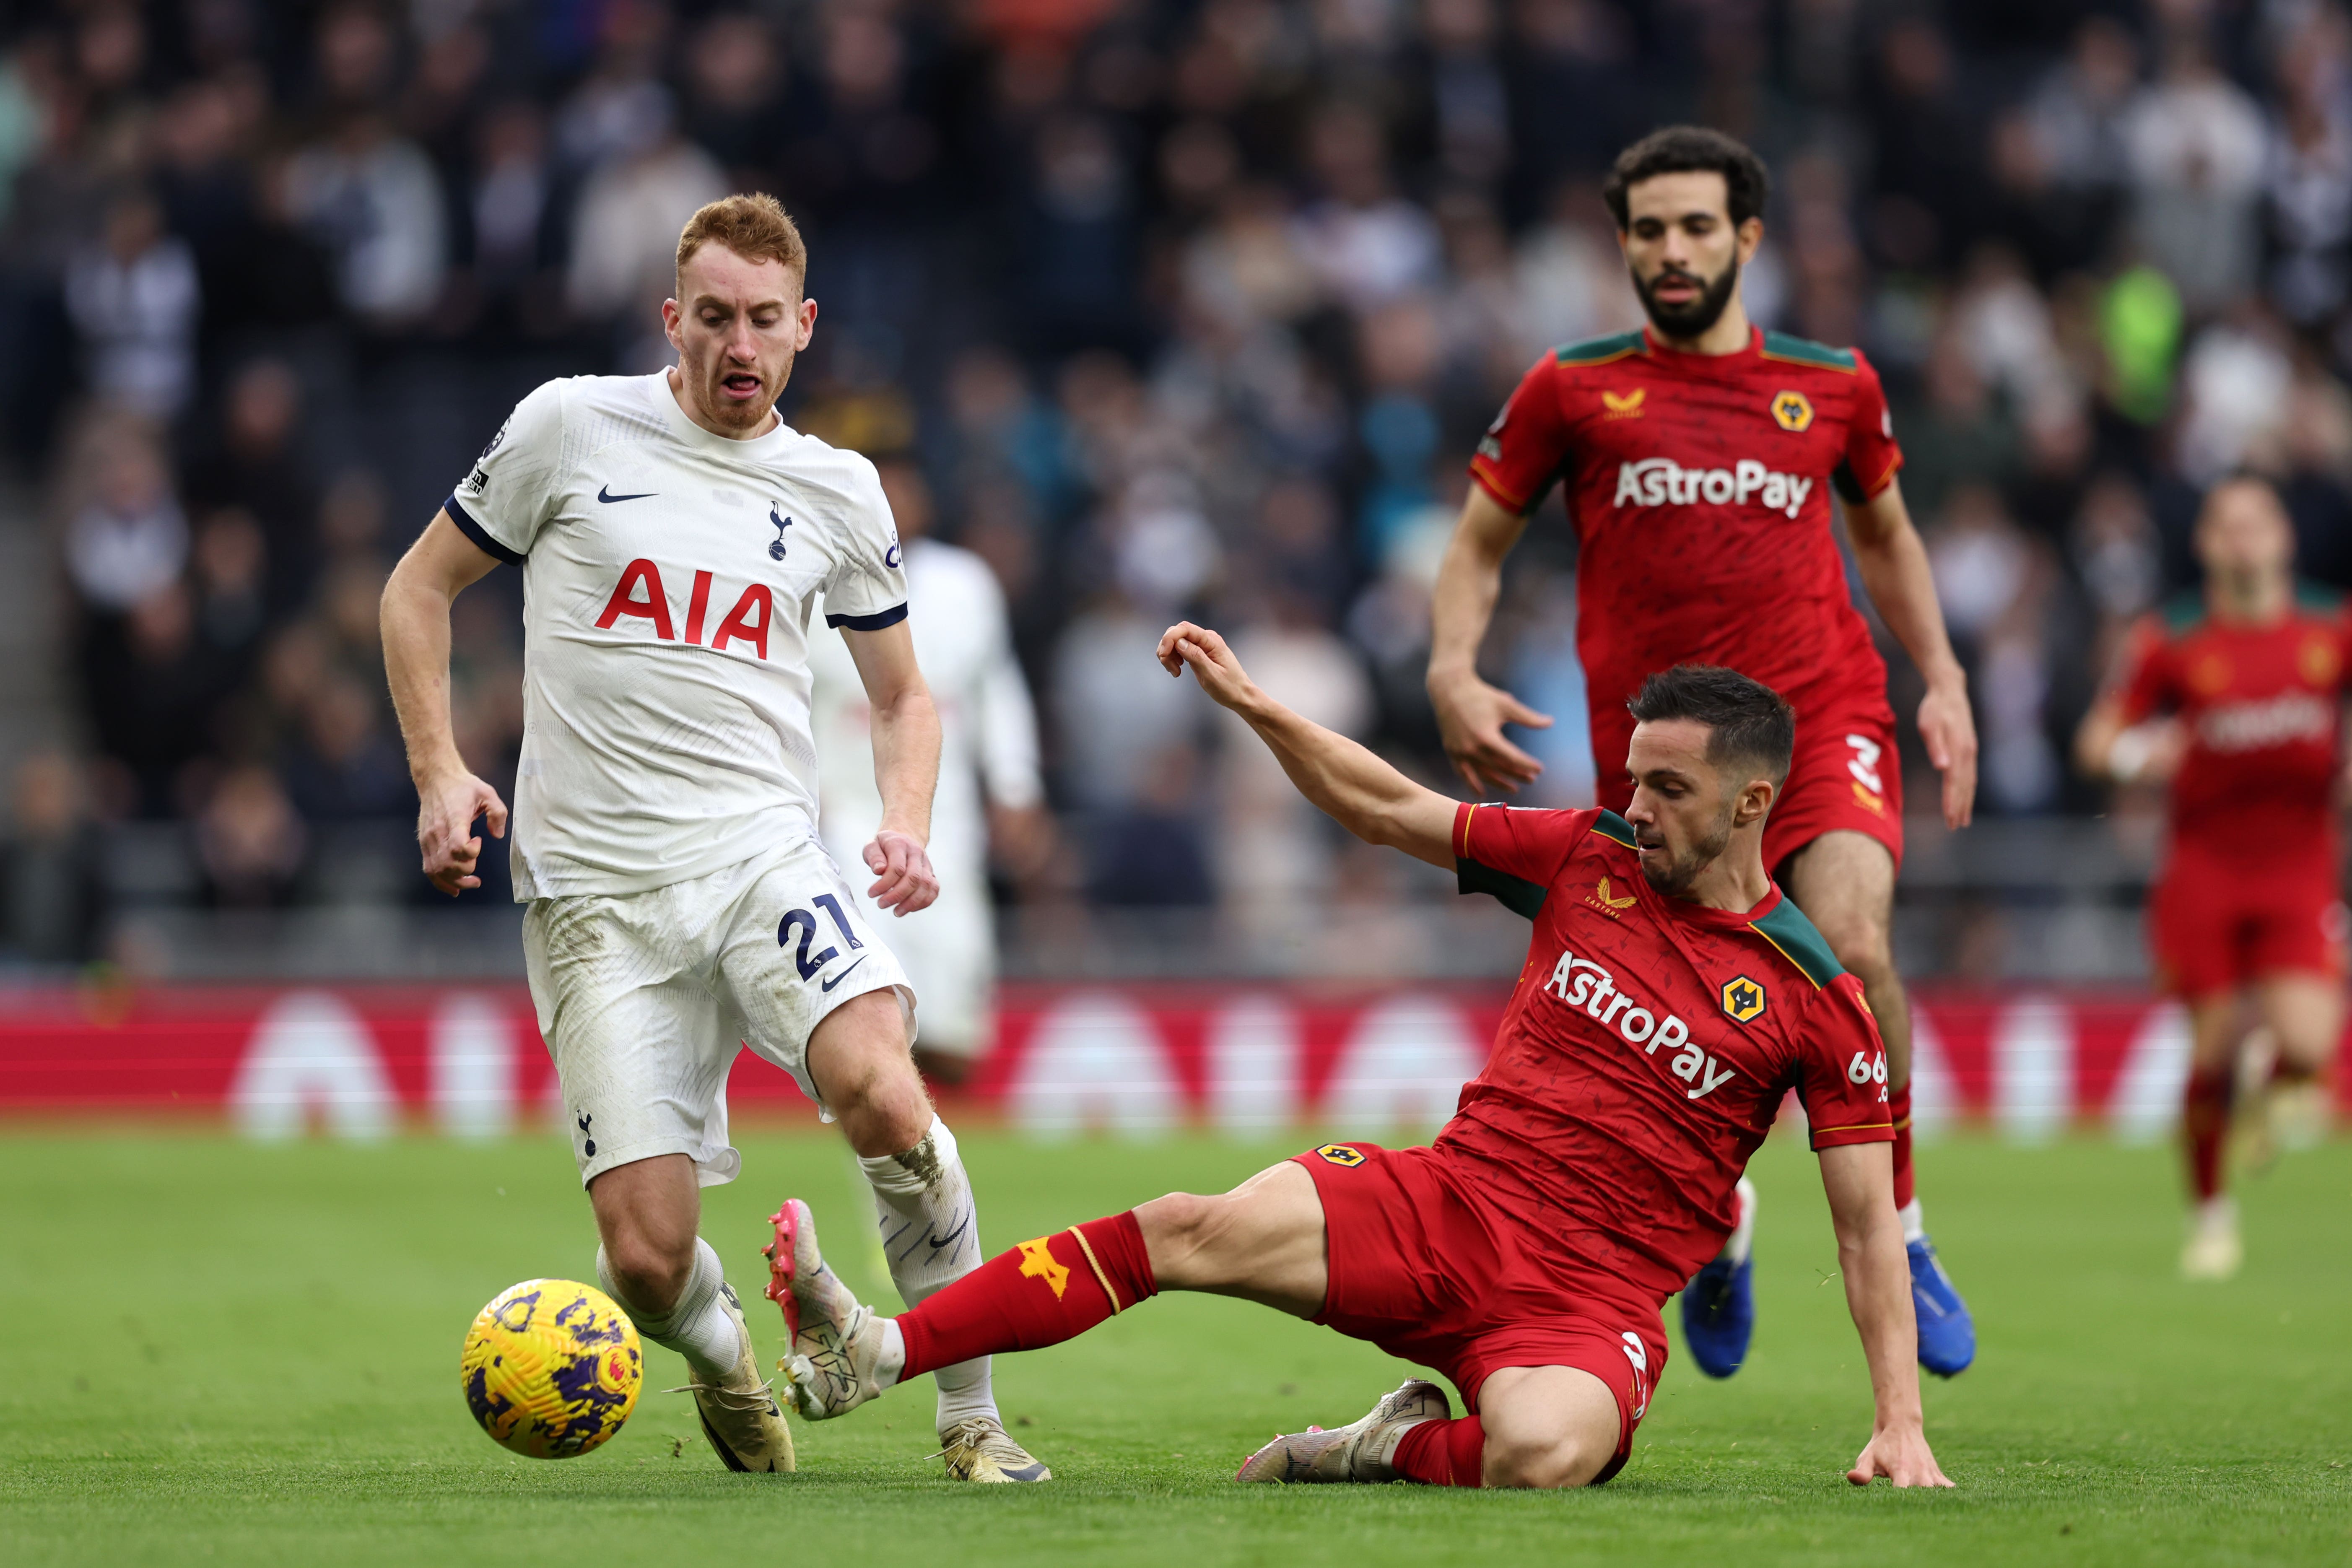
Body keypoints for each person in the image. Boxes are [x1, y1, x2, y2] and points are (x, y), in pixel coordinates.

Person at [766, 624, 1953, 1492]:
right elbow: (1388, 807)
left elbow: (1862, 1229)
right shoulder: (1585, 857)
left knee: (1542, 1454)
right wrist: (1257, 707)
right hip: (1448, 1203)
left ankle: (1375, 1443)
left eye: (1668, 787)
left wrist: (1898, 1423)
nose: (1633, 805)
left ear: (1752, 805)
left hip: (1587, 1302)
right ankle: (880, 1349)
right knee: (1190, 1222)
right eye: (1633, 776)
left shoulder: (1819, 1001)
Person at [379, 194, 1048, 1483]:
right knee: (642, 1258)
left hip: (762, 860)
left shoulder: (839, 489)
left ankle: (971, 1418)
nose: (738, 346)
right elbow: (417, 588)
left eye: (763, 322)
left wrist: (904, 824)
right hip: (596, 896)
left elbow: (906, 697)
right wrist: (440, 771)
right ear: (670, 319)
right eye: (713, 318)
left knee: (889, 1096)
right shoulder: (570, 426)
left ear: (802, 331)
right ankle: (723, 1349)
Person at [1424, 125, 1979, 1379]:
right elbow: (1472, 547)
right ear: (1622, 245)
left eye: (1694, 228)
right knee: (1676, 1013)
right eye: (1648, 231)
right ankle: (1719, 1215)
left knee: (1856, 949)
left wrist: (1940, 675)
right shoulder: (1571, 387)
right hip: (1663, 764)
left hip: (1819, 719)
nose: (1671, 253)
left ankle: (1901, 1219)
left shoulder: (1833, 384)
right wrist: (1452, 668)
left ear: (1748, 239)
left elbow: (1885, 536)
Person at [2074, 475, 2349, 1280]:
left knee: (2310, 1044)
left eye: (2255, 524)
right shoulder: (2173, 640)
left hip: (2301, 863)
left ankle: (2278, 1072)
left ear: (2283, 538)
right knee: (2214, 1045)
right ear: (2204, 545)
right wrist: (2138, 756)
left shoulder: (2330, 630)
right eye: (2225, 527)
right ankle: (2209, 1213)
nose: (2241, 540)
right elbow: (2096, 740)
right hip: (2205, 867)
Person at [808, 458, 1050, 1085]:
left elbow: (996, 691)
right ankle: (884, 1152)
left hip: (949, 819)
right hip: (846, 819)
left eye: (902, 486)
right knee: (872, 1001)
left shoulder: (964, 582)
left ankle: (928, 1162)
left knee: (953, 1029)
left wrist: (1016, 784)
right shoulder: (808, 574)